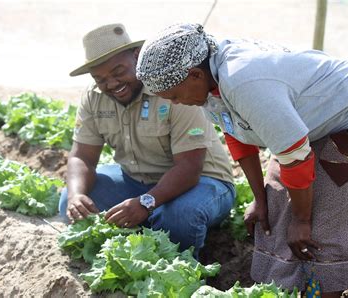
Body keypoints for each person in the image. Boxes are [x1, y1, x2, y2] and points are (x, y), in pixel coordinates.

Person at [136, 23, 348, 296]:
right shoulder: (208, 83)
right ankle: (292, 285)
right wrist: (260, 198)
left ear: (194, 74)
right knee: (278, 200)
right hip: (314, 122)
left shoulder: (244, 80)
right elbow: (237, 135)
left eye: (173, 95)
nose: (174, 103)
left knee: (323, 222)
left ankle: (326, 288)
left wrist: (302, 220)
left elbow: (294, 156)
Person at [59, 23, 236, 256]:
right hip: (138, 182)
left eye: (118, 72)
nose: (111, 84)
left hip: (201, 182)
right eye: (100, 79)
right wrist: (76, 195)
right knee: (70, 203)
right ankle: (147, 227)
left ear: (136, 56)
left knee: (179, 218)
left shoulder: (172, 87)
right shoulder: (94, 97)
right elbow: (82, 156)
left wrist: (146, 202)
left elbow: (189, 167)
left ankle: (178, 250)